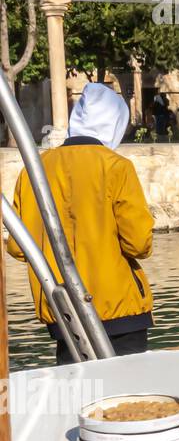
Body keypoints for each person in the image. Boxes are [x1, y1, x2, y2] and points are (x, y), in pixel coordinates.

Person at [5, 84, 155, 364]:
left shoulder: (33, 171)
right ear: (114, 125)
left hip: (64, 315)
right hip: (119, 310)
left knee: (81, 398)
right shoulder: (116, 167)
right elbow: (139, 244)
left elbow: (17, 246)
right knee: (127, 399)